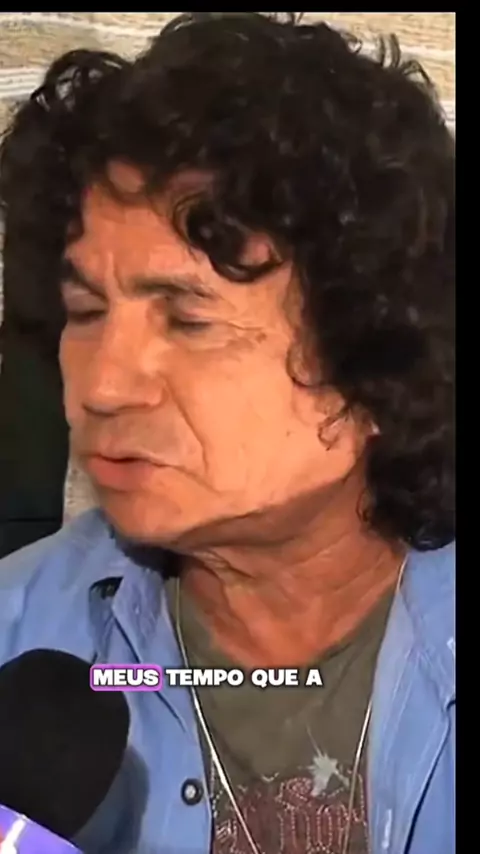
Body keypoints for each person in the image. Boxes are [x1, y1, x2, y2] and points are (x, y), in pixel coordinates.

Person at [0, 12, 455, 854]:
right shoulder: (16, 636)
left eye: (189, 321)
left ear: (374, 368)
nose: (103, 386)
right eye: (85, 311)